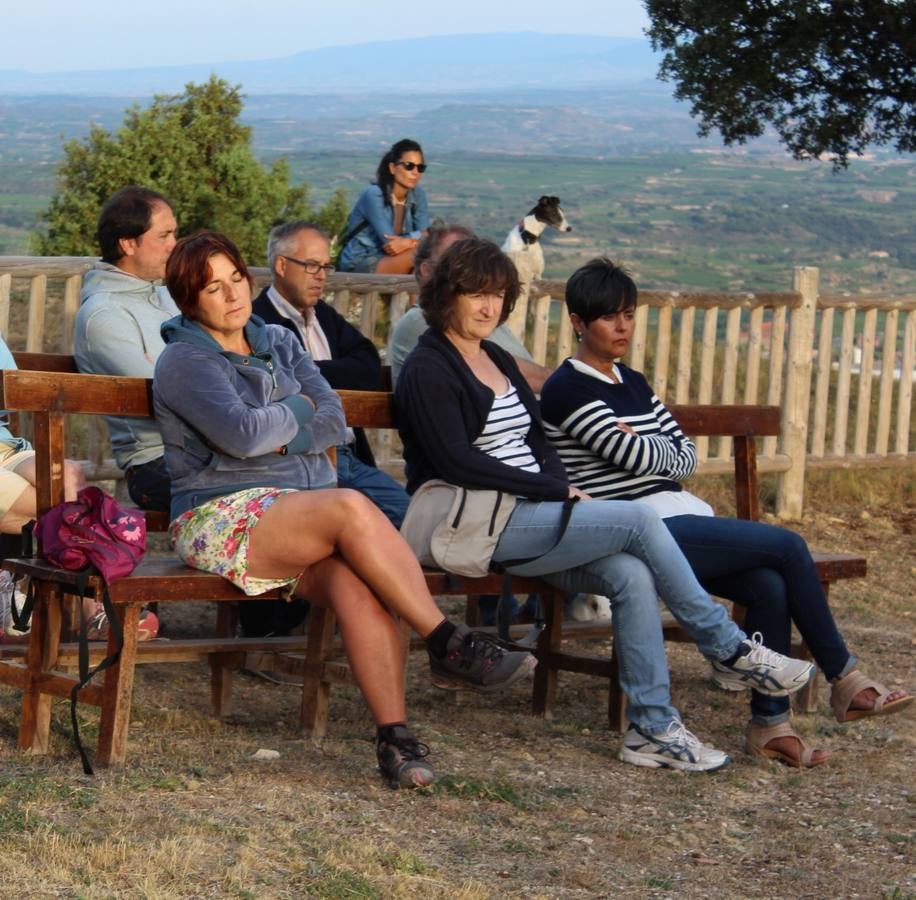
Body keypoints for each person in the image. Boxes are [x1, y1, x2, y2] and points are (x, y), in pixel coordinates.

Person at [395, 237, 816, 773]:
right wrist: (552, 489)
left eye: (498, 295)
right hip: (476, 520)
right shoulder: (430, 365)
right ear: (445, 296)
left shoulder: (495, 355)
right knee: (638, 519)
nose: (488, 306)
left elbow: (537, 440)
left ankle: (651, 728)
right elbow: (454, 461)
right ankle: (727, 647)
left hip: (529, 516)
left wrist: (554, 480)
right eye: (475, 293)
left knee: (629, 574)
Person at [153, 230, 536, 788]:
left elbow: (333, 416)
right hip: (221, 515)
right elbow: (240, 435)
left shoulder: (279, 340)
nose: (233, 295)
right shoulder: (185, 361)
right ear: (191, 301)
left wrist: (287, 421)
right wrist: (296, 414)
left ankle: (396, 738)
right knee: (354, 506)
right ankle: (446, 641)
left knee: (356, 585)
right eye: (213, 288)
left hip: (300, 513)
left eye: (236, 278)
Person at [540, 257, 913, 767]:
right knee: (788, 546)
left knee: (768, 584)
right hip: (631, 527)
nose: (623, 326)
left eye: (629, 314)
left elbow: (683, 456)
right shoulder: (567, 388)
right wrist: (650, 445)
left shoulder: (633, 381)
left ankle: (770, 726)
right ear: (579, 323)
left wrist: (646, 444)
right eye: (609, 317)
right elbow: (636, 455)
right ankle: (844, 677)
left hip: (677, 514)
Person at [253, 221, 408, 527]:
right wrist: (320, 378)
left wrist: (310, 375)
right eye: (312, 266)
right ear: (282, 265)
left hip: (351, 456)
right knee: (394, 525)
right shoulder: (258, 323)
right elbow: (281, 385)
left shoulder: (323, 315)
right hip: (303, 462)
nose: (322, 276)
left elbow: (367, 368)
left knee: (416, 524)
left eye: (326, 266)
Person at [74, 185, 179, 513]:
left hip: (207, 450)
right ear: (128, 243)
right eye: (164, 236)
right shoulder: (105, 315)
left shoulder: (164, 294)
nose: (174, 246)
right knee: (298, 496)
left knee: (316, 485)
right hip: (158, 463)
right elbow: (173, 395)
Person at [387, 222, 552, 393]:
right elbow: (512, 371)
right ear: (427, 271)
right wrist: (562, 382)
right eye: (455, 263)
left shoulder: (483, 315)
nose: (471, 269)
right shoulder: (423, 319)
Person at [0, 336, 86, 642]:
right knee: (51, 507)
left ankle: (24, 590)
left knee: (67, 477)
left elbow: (17, 390)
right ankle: (86, 604)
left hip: (5, 449)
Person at [338, 139, 430, 275]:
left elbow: (427, 238)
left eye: (420, 167)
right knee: (419, 255)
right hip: (361, 263)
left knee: (431, 253)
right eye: (409, 166)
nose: (415, 172)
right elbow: (390, 244)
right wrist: (417, 238)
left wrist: (407, 241)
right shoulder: (373, 195)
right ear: (392, 168)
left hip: (393, 260)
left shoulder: (418, 194)